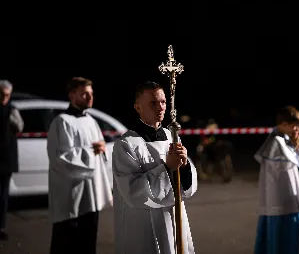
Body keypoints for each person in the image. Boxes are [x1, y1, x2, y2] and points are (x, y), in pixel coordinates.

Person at [112, 81, 197, 254]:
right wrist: (167, 168)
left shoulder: (171, 136)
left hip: (175, 215)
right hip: (145, 224)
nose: (160, 108)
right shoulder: (127, 144)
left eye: (163, 102)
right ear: (138, 107)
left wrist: (185, 165)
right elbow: (132, 191)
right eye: (153, 103)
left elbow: (185, 187)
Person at [46, 77, 113, 254]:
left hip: (91, 195)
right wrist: (91, 151)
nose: (90, 97)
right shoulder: (61, 122)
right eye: (84, 94)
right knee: (66, 243)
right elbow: (60, 159)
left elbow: (100, 156)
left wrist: (101, 149)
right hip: (70, 196)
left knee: (88, 242)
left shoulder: (91, 121)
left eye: (91, 93)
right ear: (72, 95)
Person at [253, 105, 299, 254]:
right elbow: (286, 164)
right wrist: (294, 147)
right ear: (284, 124)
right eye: (294, 125)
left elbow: (295, 162)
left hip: (285, 199)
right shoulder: (276, 142)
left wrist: (293, 147)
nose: (296, 129)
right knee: (280, 240)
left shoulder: (283, 139)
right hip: (280, 200)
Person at [0, 80, 24, 240]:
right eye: (1, 95)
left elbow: (20, 126)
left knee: (2, 197)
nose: (4, 98)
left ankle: (0, 227)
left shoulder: (11, 110)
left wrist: (12, 116)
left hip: (6, 160)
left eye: (7, 95)